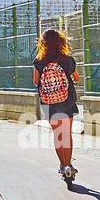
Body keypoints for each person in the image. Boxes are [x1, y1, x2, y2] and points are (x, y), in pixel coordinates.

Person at [33, 29, 80, 182]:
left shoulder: (39, 61)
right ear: (61, 42)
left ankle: (63, 165)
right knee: (67, 134)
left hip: (49, 102)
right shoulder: (67, 60)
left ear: (43, 43)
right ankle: (69, 166)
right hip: (67, 100)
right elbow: (77, 78)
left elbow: (35, 81)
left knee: (58, 135)